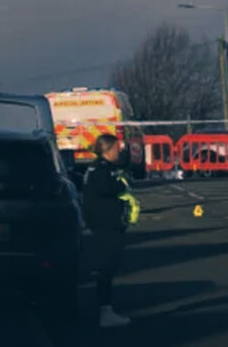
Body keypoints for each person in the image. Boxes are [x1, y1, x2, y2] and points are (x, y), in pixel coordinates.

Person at [83, 134, 140, 327]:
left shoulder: (101, 168)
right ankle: (105, 312)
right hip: (106, 226)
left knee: (109, 266)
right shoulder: (101, 171)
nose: (120, 151)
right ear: (108, 149)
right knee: (106, 267)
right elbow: (110, 189)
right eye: (117, 148)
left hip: (106, 225)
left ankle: (106, 309)